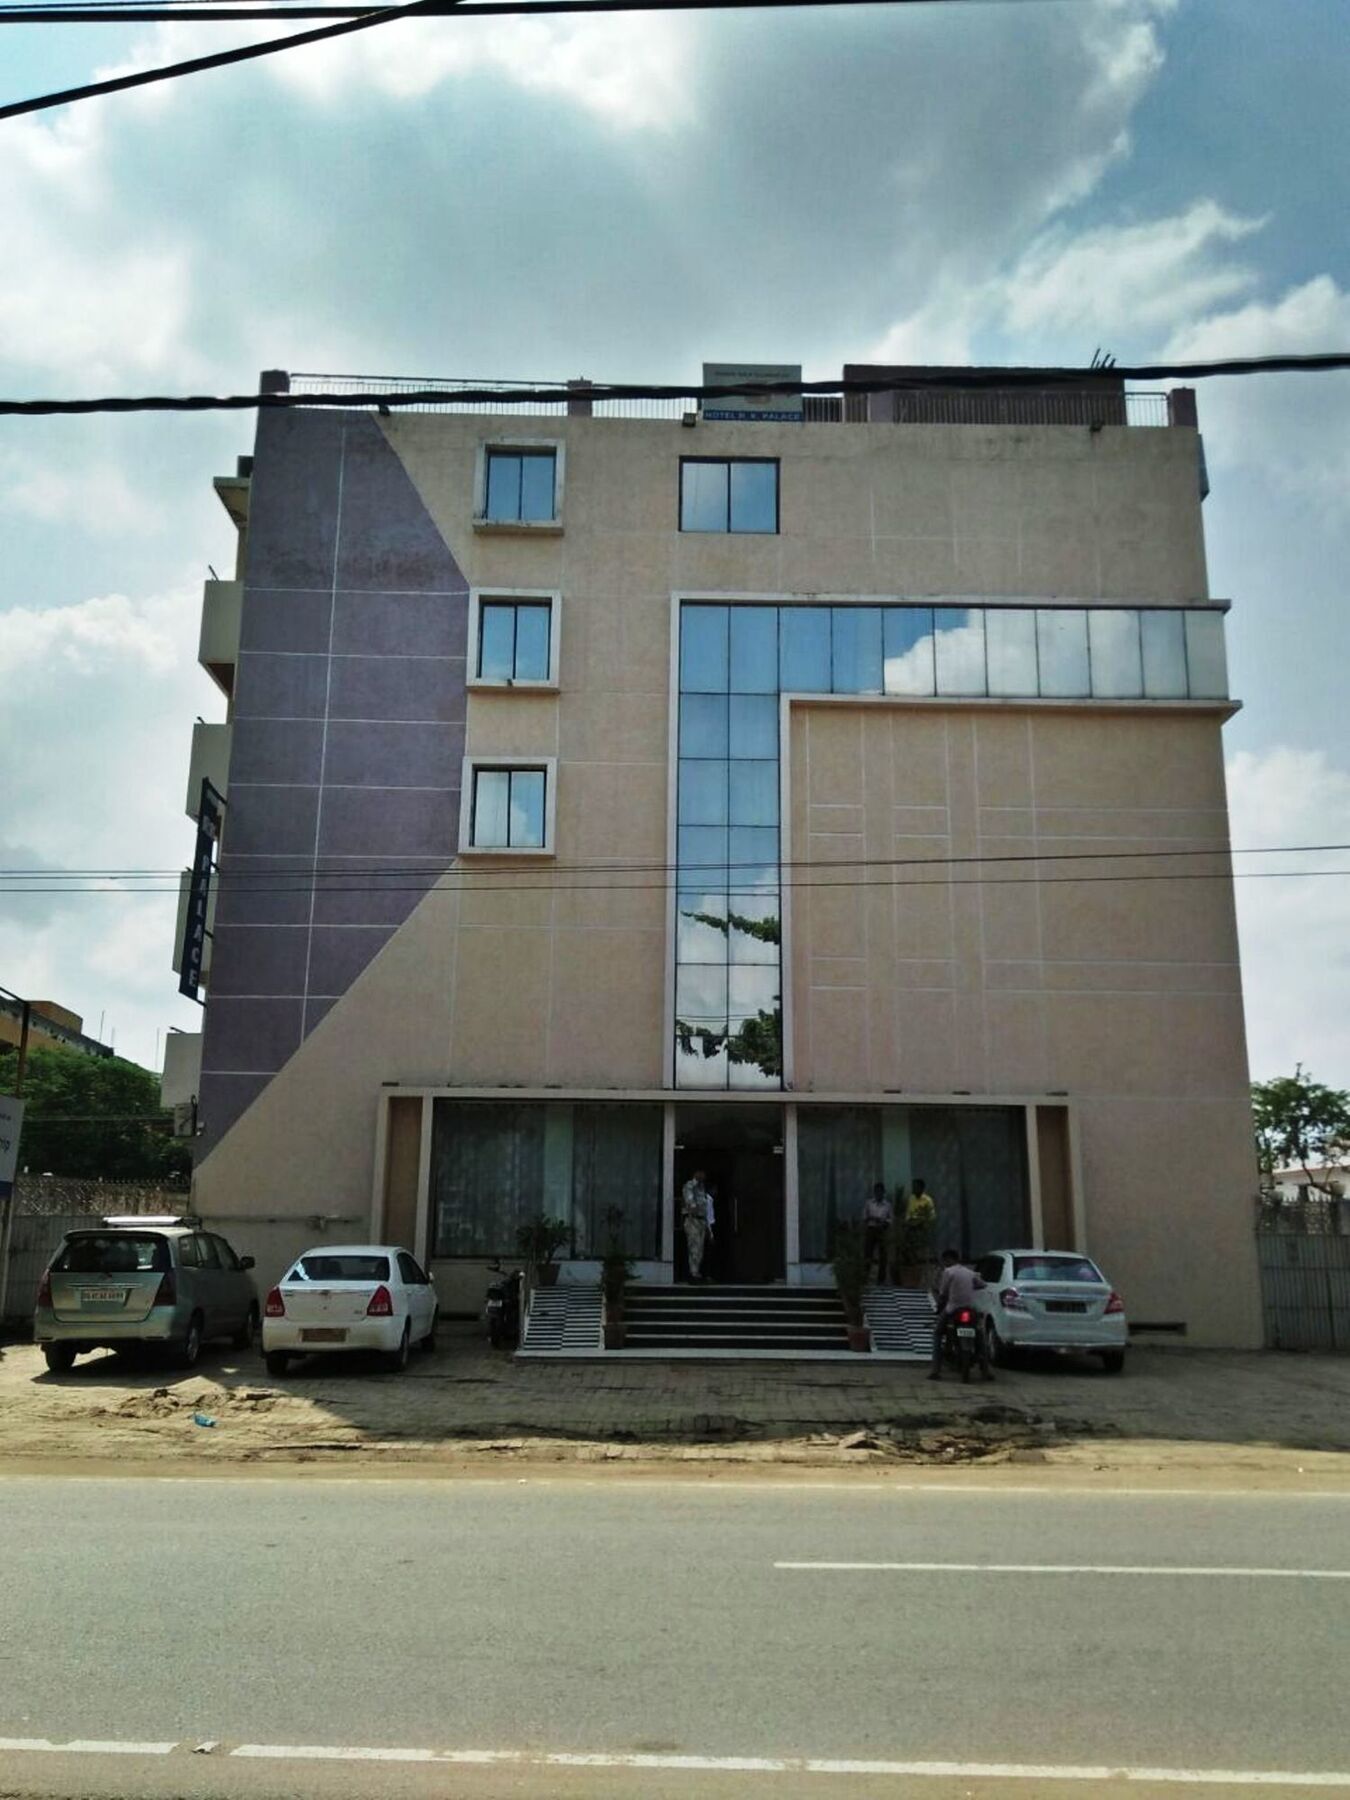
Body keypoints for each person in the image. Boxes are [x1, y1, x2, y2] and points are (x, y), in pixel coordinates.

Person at [928, 1246, 993, 1381]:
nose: (944, 1263)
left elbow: (943, 1292)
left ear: (948, 1259)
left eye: (945, 1260)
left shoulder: (948, 1272)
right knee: (980, 1336)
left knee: (937, 1333)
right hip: (970, 1309)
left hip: (953, 1308)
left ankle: (935, 1370)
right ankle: (985, 1371)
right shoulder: (969, 1273)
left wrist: (940, 1306)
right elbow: (982, 1285)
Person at [681, 1169, 712, 1282]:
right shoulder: (690, 1186)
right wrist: (693, 1207)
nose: (703, 1176)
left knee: (700, 1248)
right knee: (694, 1246)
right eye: (701, 1174)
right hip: (692, 1219)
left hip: (701, 1220)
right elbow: (690, 1201)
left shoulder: (702, 1188)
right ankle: (693, 1273)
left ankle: (696, 1272)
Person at [861, 1182, 893, 1286]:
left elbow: (891, 1219)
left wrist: (884, 1222)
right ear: (874, 1192)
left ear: (883, 1192)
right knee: (868, 1254)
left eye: (880, 1191)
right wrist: (872, 1218)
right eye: (876, 1191)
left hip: (882, 1230)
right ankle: (865, 1277)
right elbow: (864, 1217)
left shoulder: (887, 1205)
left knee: (883, 1255)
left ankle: (881, 1279)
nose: (878, 1193)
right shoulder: (869, 1203)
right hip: (871, 1229)